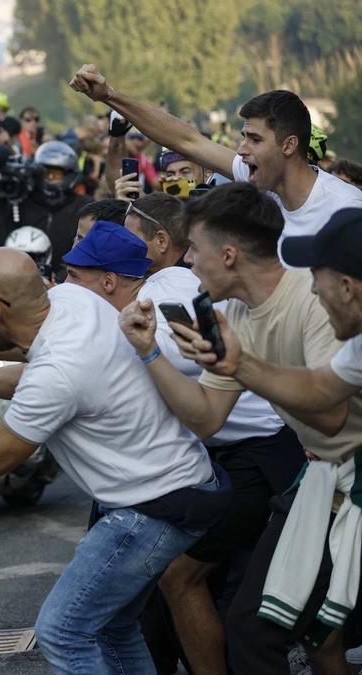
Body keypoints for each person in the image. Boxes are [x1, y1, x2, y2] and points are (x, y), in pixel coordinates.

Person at [0, 246, 223, 674]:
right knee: (111, 626)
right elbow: (37, 375)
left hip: (152, 510)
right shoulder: (73, 299)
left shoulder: (59, 372)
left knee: (62, 632)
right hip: (179, 487)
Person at [116, 187, 362, 674]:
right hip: (320, 482)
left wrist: (241, 365)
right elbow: (207, 415)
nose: (187, 262)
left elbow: (330, 414)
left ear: (227, 255)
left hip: (345, 484)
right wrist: (149, 352)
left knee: (263, 631)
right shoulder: (234, 313)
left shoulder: (314, 299)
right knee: (279, 629)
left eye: (193, 249)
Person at [69, 65, 362, 263]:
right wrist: (109, 95)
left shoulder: (347, 209)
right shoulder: (254, 177)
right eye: (243, 136)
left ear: (289, 145)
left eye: (255, 140)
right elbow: (186, 141)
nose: (241, 149)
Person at [0, 140, 92, 280]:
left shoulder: (85, 206)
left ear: (70, 175)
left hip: (67, 285)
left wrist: (61, 278)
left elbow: (90, 253)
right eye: (45, 174)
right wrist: (1, 202)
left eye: (56, 174)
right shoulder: (20, 201)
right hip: (19, 281)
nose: (50, 178)